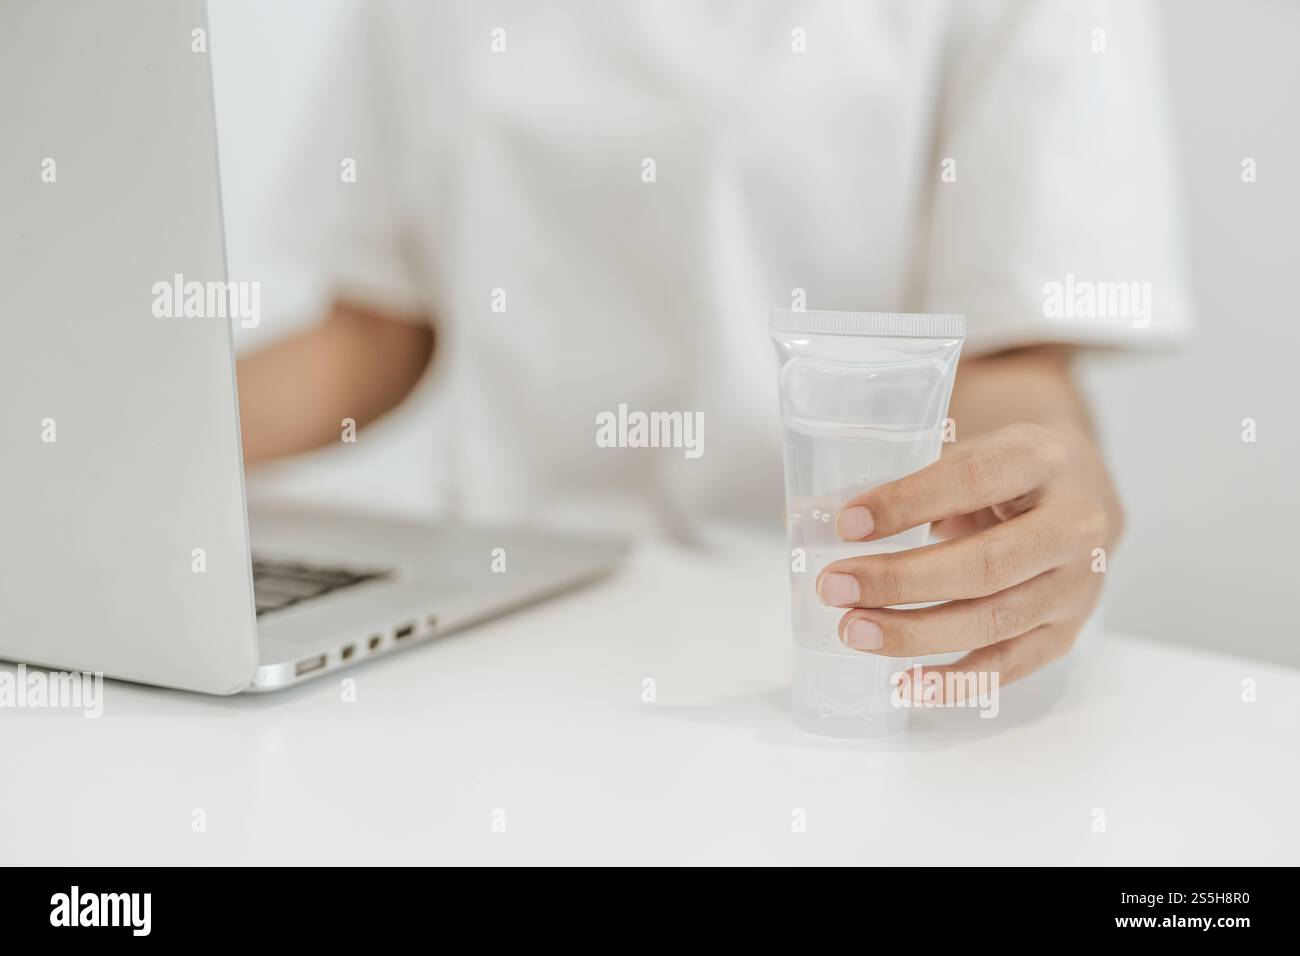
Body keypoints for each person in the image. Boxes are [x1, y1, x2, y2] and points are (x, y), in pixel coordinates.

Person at [236, 1, 1191, 698]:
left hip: (819, 631)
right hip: (486, 613)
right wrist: (114, 434)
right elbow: (375, 333)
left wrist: (1040, 488)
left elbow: (1005, 359)